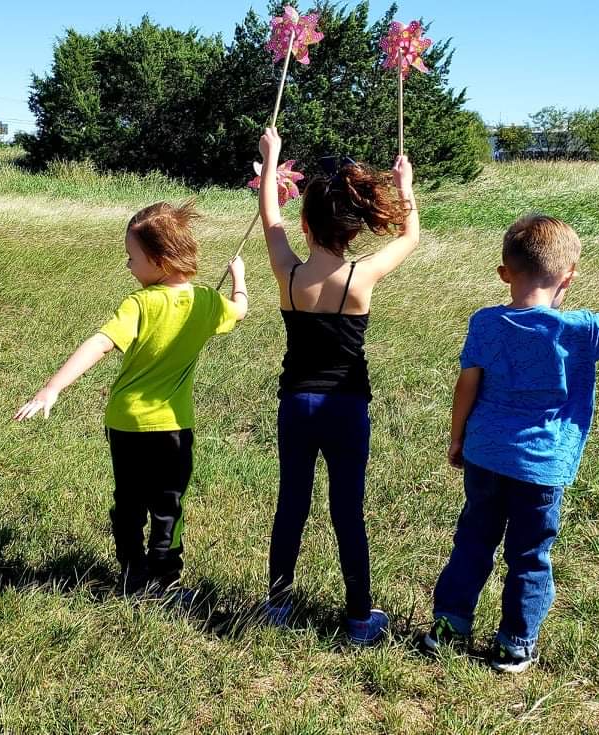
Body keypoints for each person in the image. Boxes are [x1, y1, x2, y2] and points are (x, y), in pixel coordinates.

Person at [425, 216, 599, 672]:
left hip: (485, 454)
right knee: (530, 556)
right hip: (542, 466)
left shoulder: (485, 322)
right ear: (568, 276)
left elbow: (466, 385)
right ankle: (514, 644)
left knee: (472, 541)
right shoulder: (581, 329)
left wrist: (457, 438)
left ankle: (449, 625)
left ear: (504, 272)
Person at [14, 201, 248, 599]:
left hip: (125, 424)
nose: (127, 265)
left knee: (129, 502)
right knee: (168, 505)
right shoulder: (207, 303)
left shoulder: (139, 304)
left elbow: (100, 343)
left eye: (131, 257)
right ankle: (164, 579)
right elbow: (240, 310)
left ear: (159, 260)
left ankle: (132, 572)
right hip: (173, 427)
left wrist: (53, 387)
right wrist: (238, 277)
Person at [257, 127, 419, 644]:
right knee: (347, 511)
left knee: (292, 505)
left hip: (296, 404)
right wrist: (404, 186)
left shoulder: (289, 274)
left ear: (305, 224)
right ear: (352, 230)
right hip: (346, 408)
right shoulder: (360, 277)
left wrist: (271, 160)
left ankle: (277, 604)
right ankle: (358, 618)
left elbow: (270, 220)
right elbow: (410, 238)